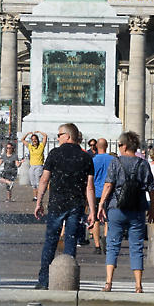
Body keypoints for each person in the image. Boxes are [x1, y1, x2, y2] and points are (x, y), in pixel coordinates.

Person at [33, 123, 95, 288]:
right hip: (76, 204)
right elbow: (90, 187)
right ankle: (68, 279)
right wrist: (92, 211)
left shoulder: (55, 153)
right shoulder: (86, 157)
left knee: (51, 241)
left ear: (67, 136)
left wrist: (39, 202)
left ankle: (44, 280)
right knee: (70, 241)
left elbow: (44, 179)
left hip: (57, 203)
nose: (58, 137)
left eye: (59, 135)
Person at [98, 132, 154, 293]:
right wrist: (152, 208)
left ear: (124, 146)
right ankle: (138, 285)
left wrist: (101, 204)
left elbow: (109, 184)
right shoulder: (143, 164)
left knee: (112, 244)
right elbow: (151, 188)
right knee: (136, 246)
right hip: (137, 208)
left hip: (116, 207)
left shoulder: (115, 162)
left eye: (119, 145)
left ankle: (108, 282)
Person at [89, 138, 115, 252]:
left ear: (96, 147)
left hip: (96, 192)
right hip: (109, 192)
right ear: (107, 146)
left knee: (95, 219)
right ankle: (106, 238)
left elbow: (90, 178)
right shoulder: (113, 160)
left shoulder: (93, 160)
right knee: (108, 219)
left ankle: (97, 245)